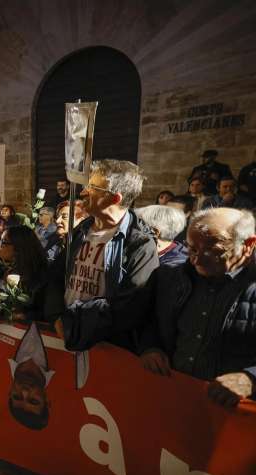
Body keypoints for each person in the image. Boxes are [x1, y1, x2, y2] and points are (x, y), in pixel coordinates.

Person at [139, 208, 256, 407]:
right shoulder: (170, 277)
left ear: (248, 245)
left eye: (214, 251)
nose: (197, 260)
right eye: (192, 249)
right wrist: (150, 348)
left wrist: (251, 379)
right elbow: (150, 321)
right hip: (172, 398)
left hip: (231, 415)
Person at [44, 159, 159, 352]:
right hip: (64, 333)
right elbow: (56, 276)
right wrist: (56, 316)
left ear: (115, 198)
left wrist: (74, 324)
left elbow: (129, 306)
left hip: (105, 345)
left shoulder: (140, 244)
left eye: (93, 188)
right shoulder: (80, 231)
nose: (83, 192)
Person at [8, 323, 53, 430]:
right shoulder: (77, 373)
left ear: (9, 392)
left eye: (17, 396)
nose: (25, 391)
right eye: (34, 401)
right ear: (46, 400)